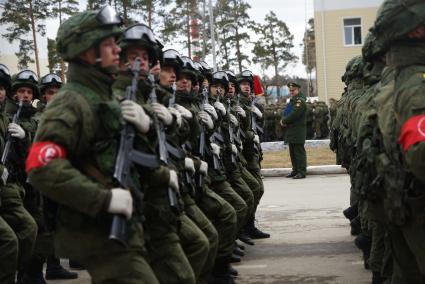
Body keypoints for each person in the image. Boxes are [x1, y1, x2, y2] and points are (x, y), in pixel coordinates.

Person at [26, 6, 159, 283]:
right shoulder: (71, 102)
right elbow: (41, 166)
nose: (117, 51)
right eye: (109, 44)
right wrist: (103, 199)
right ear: (87, 51)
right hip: (97, 229)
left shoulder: (101, 96)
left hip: (120, 224)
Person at [281, 82, 307, 179]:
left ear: (298, 90)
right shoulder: (292, 101)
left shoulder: (300, 102)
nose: (291, 92)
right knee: (292, 152)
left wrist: (284, 121)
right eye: (290, 90)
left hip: (298, 131)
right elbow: (287, 112)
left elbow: (294, 115)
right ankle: (295, 170)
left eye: (293, 90)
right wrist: (283, 119)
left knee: (299, 152)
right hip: (291, 131)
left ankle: (301, 171)